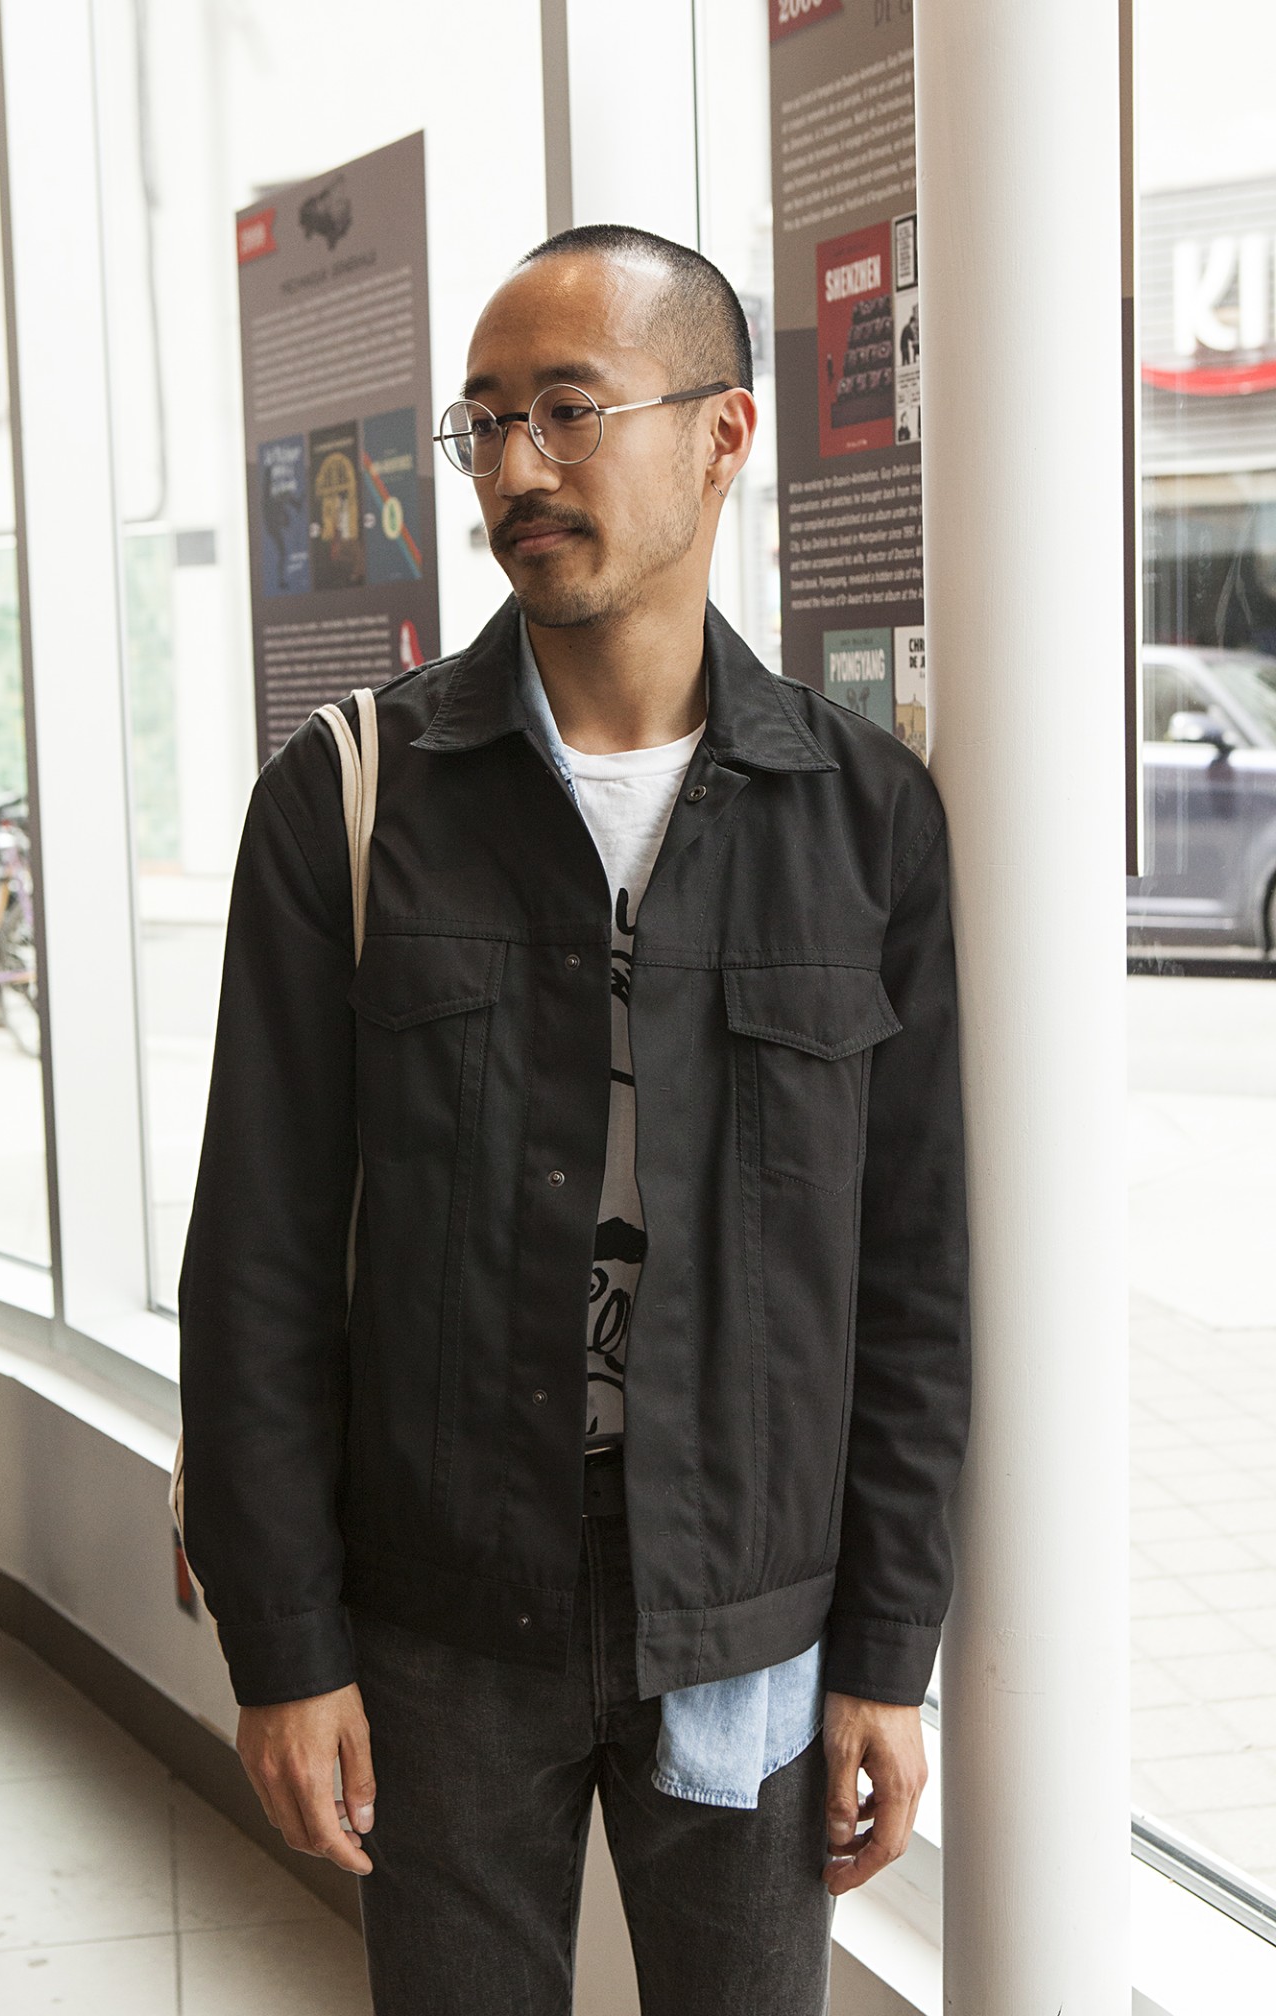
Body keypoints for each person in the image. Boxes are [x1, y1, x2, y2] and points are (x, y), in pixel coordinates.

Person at [179, 223, 970, 2014]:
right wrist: (283, 1646)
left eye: (566, 410)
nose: (515, 469)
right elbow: (259, 1261)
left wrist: (888, 1656)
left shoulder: (863, 819)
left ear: (724, 432)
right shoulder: (349, 798)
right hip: (444, 1603)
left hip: (751, 1612)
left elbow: (914, 1275)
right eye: (483, 424)